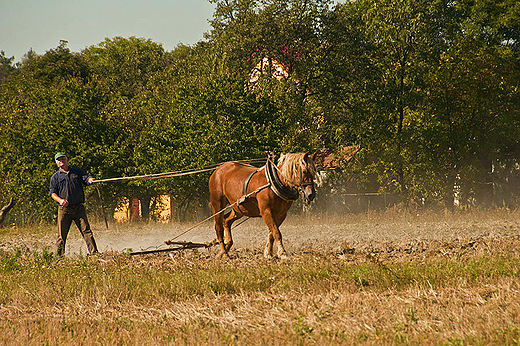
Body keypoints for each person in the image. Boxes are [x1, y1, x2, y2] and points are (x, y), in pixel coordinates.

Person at [49, 152, 99, 257]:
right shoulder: (55, 177)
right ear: (56, 163)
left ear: (67, 160)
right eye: (59, 160)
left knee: (87, 231)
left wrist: (90, 179)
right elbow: (53, 193)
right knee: (61, 235)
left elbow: (86, 178)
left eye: (63, 159)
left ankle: (94, 253)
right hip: (64, 209)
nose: (61, 161)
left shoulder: (77, 172)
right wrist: (60, 200)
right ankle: (59, 257)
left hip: (79, 208)